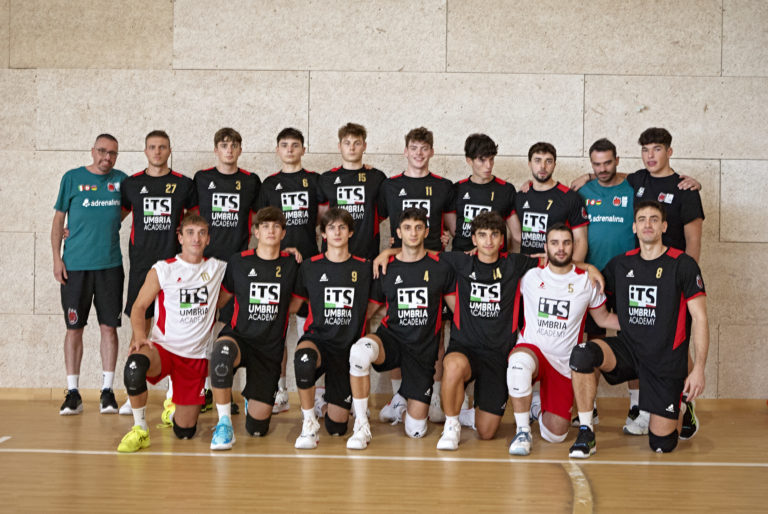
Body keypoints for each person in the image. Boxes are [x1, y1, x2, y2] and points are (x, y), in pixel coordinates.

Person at [568, 200, 708, 458]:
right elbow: (599, 310)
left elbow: (700, 318)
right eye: (642, 219)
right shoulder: (621, 264)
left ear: (664, 226)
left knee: (662, 445)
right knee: (582, 354)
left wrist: (698, 368)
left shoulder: (683, 264)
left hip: (665, 360)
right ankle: (586, 431)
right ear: (634, 227)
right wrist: (589, 268)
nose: (647, 224)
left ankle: (683, 407)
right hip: (629, 350)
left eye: (654, 219)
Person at [117, 214, 227, 452]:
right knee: (134, 366)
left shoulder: (218, 268)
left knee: (185, 431)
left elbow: (255, 264)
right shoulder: (163, 269)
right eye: (190, 232)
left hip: (195, 358)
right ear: (180, 237)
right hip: (163, 350)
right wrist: (139, 336)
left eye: (202, 233)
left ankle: (174, 409)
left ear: (208, 239)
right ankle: (140, 429)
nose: (196, 238)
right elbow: (139, 307)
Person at [346, 208, 455, 449]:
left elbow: (456, 309)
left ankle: (399, 407)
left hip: (422, 352)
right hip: (391, 340)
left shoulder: (441, 266)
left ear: (426, 232)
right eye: (407, 228)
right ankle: (361, 425)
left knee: (416, 431)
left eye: (418, 228)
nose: (413, 233)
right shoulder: (386, 267)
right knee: (360, 352)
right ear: (397, 232)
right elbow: (369, 310)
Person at [507, 223, 618, 456]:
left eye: (566, 243)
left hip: (563, 363)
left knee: (555, 434)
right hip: (532, 350)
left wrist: (646, 327)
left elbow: (604, 318)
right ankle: (522, 431)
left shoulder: (587, 281)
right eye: (555, 243)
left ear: (573, 246)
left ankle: (537, 407)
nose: (561, 248)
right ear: (545, 247)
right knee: (518, 363)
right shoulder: (529, 276)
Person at [436, 212, 539, 450]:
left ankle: (469, 413)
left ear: (502, 239)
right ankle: (451, 426)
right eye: (482, 235)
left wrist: (587, 267)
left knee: (486, 432)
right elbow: (419, 254)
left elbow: (554, 261)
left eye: (494, 235)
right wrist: (388, 253)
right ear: (474, 239)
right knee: (453, 366)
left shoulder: (514, 263)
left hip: (498, 355)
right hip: (465, 349)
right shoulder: (461, 262)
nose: (489, 240)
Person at [377, 127, 456, 423]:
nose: (419, 153)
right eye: (414, 148)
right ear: (405, 151)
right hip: (400, 264)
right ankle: (399, 396)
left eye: (424, 148)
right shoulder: (390, 185)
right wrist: (387, 251)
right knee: (398, 327)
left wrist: (448, 238)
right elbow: (377, 222)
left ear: (432, 152)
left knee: (436, 334)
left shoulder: (443, 186)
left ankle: (433, 394)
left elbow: (452, 228)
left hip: (433, 267)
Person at [208, 207, 300, 450]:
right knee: (221, 355)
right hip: (239, 337)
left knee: (257, 429)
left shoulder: (292, 264)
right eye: (265, 226)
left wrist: (275, 311)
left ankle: (253, 399)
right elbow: (222, 298)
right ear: (256, 232)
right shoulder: (239, 261)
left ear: (283, 233)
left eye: (276, 226)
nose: (271, 230)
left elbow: (296, 303)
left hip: (269, 349)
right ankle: (224, 423)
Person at [52, 133, 127, 415]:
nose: (107, 157)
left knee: (109, 328)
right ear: (92, 151)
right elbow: (59, 219)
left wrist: (106, 224)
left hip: (110, 266)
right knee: (74, 328)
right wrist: (56, 258)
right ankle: (73, 393)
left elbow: (126, 211)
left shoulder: (122, 181)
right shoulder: (72, 178)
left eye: (113, 153)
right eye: (102, 151)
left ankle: (107, 392)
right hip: (75, 266)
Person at [290, 208, 374, 449]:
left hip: (347, 350)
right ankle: (308, 423)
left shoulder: (365, 268)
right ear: (323, 234)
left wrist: (388, 251)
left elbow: (372, 307)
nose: (337, 232)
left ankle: (325, 405)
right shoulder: (310, 266)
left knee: (337, 428)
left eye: (342, 227)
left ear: (350, 233)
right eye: (331, 228)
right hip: (318, 340)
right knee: (304, 359)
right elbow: (294, 304)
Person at [191, 127, 261, 414]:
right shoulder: (201, 179)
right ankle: (201, 391)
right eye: (224, 145)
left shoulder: (250, 181)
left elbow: (258, 222)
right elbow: (189, 220)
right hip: (205, 267)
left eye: (234, 145)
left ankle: (226, 392)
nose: (229, 150)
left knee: (231, 329)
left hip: (236, 268)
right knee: (200, 327)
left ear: (240, 150)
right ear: (216, 149)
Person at [258, 127, 323, 414]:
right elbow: (260, 226)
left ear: (303, 150)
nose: (289, 150)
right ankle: (280, 390)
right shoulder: (269, 184)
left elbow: (324, 220)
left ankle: (316, 394)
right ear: (277, 149)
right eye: (284, 145)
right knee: (277, 331)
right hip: (278, 266)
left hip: (309, 266)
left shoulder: (315, 181)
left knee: (311, 330)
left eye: (295, 145)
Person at [577, 138, 637, 428]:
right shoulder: (583, 191)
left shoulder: (633, 188)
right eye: (596, 164)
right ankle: (590, 408)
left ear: (617, 160)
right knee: (593, 342)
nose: (602, 169)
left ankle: (637, 406)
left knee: (635, 338)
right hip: (593, 277)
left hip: (630, 277)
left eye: (607, 163)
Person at [318, 122, 387, 260]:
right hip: (333, 254)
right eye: (347, 143)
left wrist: (366, 223)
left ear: (364, 146)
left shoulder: (377, 177)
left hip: (367, 254)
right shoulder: (326, 179)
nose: (352, 148)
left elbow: (381, 214)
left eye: (357, 143)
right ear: (339, 146)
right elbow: (321, 216)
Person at [511, 142, 589, 260]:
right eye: (537, 160)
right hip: (526, 267)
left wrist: (568, 268)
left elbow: (580, 241)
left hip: (557, 267)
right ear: (529, 164)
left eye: (548, 161)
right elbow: (516, 238)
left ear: (554, 165)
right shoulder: (520, 197)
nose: (543, 166)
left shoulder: (570, 197)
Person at [445, 134, 517, 252]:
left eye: (491, 159)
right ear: (469, 160)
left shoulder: (506, 189)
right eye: (482, 160)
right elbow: (454, 231)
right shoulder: (457, 188)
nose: (488, 165)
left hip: (494, 257)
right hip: (461, 256)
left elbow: (517, 236)